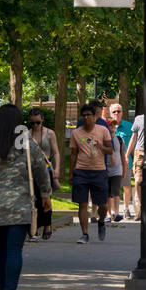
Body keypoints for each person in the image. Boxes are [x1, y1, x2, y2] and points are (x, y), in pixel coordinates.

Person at [0, 104, 51, 290]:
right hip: (21, 204)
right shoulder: (27, 144)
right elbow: (42, 171)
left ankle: (1, 288)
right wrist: (46, 195)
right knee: (14, 249)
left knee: (1, 247)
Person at [69, 101, 113, 243]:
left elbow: (110, 150)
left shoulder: (103, 130)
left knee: (103, 204)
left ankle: (101, 221)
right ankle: (85, 234)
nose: (86, 118)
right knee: (82, 203)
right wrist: (71, 173)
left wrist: (100, 146)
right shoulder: (76, 133)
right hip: (81, 171)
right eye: (84, 116)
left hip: (99, 171)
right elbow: (74, 154)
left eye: (89, 115)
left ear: (94, 117)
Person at [27, 107, 61, 240]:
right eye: (33, 123)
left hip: (46, 167)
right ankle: (34, 227)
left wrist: (57, 169)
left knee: (46, 197)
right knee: (32, 198)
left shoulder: (49, 133)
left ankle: (47, 224)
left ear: (42, 120)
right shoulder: (27, 135)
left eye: (38, 122)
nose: (35, 125)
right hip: (31, 169)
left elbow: (56, 152)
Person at [111, 103, 134, 218]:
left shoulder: (129, 126)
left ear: (122, 113)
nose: (116, 113)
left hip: (126, 162)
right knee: (111, 188)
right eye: (114, 111)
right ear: (110, 114)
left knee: (126, 186)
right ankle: (111, 212)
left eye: (118, 111)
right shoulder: (107, 126)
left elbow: (133, 144)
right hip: (111, 163)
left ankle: (126, 208)